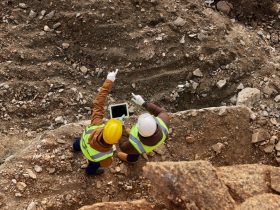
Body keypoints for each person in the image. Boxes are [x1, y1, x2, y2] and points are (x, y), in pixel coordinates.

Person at [73, 69, 123, 175]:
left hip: (83, 144)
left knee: (78, 143)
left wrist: (109, 80)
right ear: (115, 141)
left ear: (105, 128)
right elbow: (106, 164)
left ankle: (75, 147)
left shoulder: (96, 125)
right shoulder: (108, 155)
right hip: (91, 157)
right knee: (94, 166)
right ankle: (90, 173)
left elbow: (98, 103)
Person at [117, 93, 170, 162]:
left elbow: (123, 146)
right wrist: (144, 103)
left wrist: (121, 126)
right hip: (154, 142)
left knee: (133, 154)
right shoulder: (164, 123)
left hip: (137, 149)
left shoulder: (135, 144)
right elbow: (160, 111)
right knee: (136, 150)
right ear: (155, 124)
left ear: (138, 131)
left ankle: (131, 160)